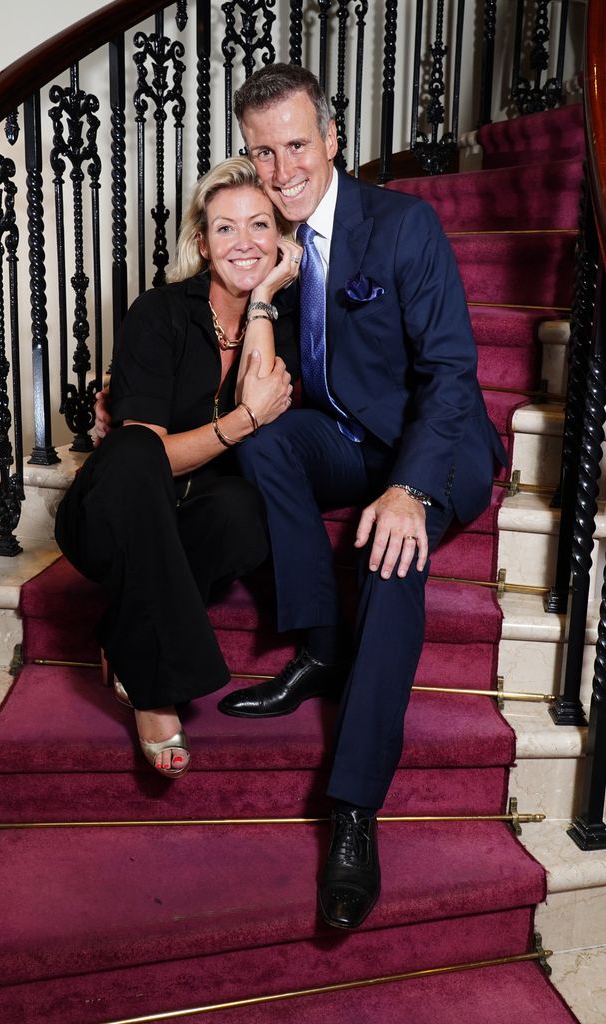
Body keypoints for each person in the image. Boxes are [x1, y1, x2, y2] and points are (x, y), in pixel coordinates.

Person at [215, 64, 506, 930]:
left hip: (439, 445)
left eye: (296, 144)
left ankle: (351, 807)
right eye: (262, 152)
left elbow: (452, 371)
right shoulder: (273, 237)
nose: (280, 169)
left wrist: (411, 489)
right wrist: (267, 290)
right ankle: (319, 647)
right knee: (260, 435)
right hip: (348, 437)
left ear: (332, 141)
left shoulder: (402, 224)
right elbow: (254, 389)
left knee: (389, 556)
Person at [55, 157, 300, 780]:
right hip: (111, 518)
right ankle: (154, 688)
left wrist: (265, 297)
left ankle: (123, 628)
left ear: (281, 240)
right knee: (136, 451)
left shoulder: (289, 326)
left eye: (259, 226)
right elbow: (146, 459)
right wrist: (243, 420)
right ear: (201, 242)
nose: (244, 243)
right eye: (225, 228)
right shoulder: (159, 312)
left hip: (191, 527)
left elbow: (269, 386)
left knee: (244, 513)